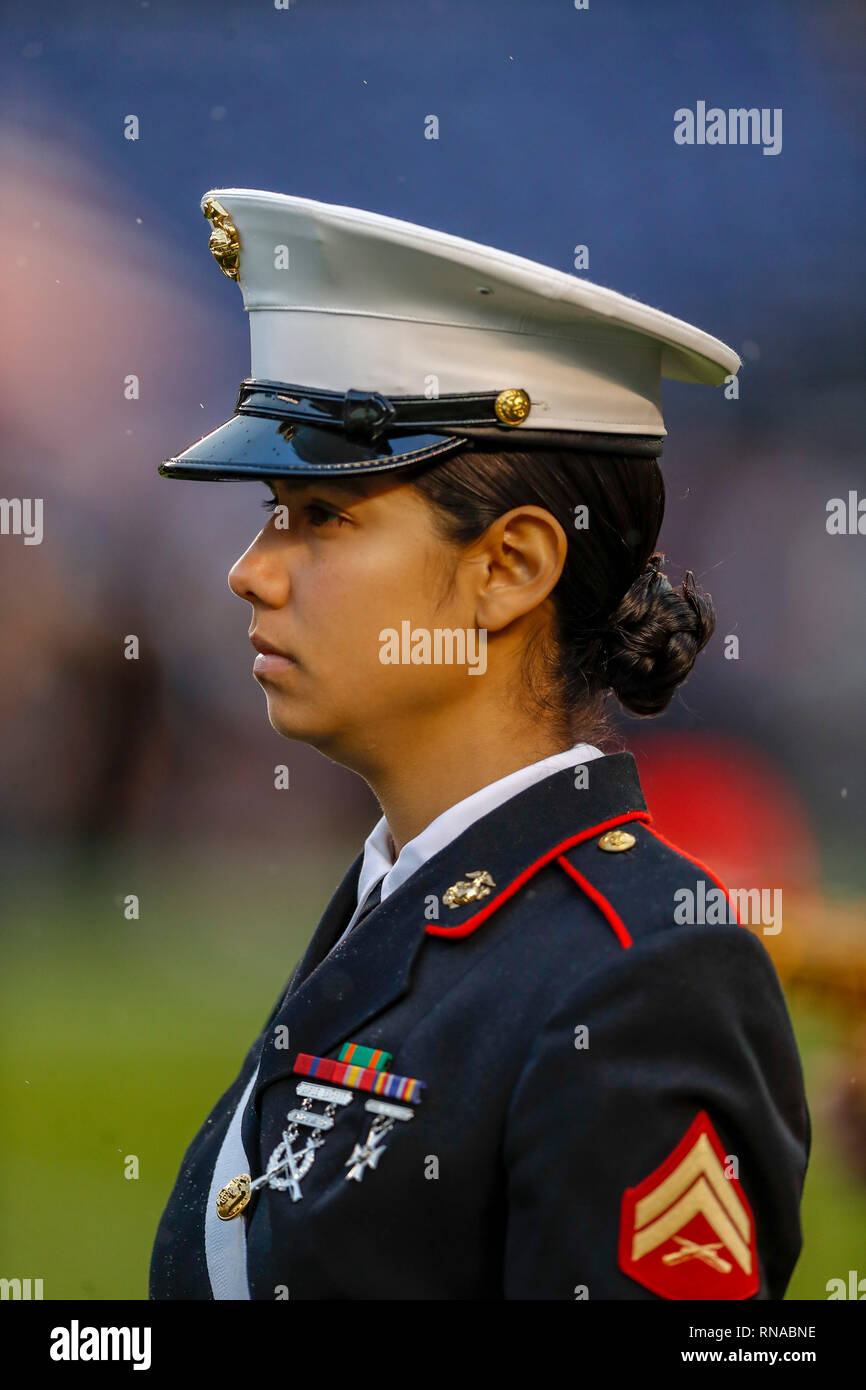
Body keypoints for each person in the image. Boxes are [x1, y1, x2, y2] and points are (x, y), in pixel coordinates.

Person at [149, 188, 809, 1300]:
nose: (251, 570)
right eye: (271, 510)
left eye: (324, 517)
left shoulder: (638, 979)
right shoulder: (411, 902)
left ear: (508, 567)